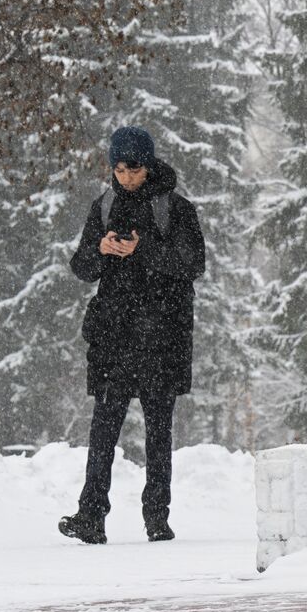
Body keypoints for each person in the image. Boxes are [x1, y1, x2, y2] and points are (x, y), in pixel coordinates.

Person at [59, 126, 205, 545]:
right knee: (103, 428)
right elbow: (81, 267)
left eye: (133, 168)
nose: (125, 176)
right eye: (118, 168)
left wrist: (143, 251)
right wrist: (100, 250)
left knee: (159, 431)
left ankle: (157, 518)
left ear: (149, 164)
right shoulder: (103, 207)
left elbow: (193, 263)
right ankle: (91, 516)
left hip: (162, 337)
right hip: (113, 337)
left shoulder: (176, 209)